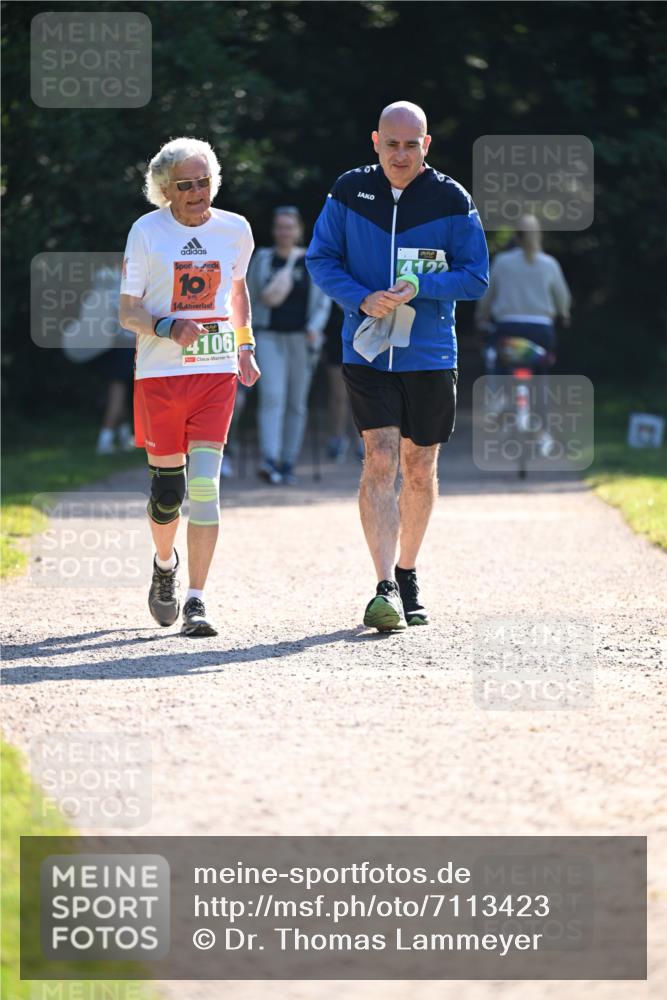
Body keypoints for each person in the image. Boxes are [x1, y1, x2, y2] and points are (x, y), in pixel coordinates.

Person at [306, 101, 488, 631]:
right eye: (392, 144)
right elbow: (322, 259)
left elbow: (476, 278)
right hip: (365, 347)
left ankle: (408, 570)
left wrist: (420, 286)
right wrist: (361, 298)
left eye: (412, 144)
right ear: (375, 142)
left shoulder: (452, 199)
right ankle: (383, 583)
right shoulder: (348, 191)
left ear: (426, 145)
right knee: (380, 457)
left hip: (430, 352)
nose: (401, 154)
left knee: (418, 467)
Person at [119, 137, 260, 637]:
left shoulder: (235, 230)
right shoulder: (146, 232)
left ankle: (197, 600)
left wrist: (244, 345)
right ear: (165, 189)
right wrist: (167, 327)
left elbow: (237, 291)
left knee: (204, 486)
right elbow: (127, 310)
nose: (198, 192)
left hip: (214, 371)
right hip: (159, 374)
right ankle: (164, 567)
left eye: (204, 182)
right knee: (168, 493)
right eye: (186, 184)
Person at [246, 207, 331, 485]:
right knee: (273, 396)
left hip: (302, 340)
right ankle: (269, 458)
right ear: (274, 230)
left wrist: (314, 329)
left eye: (289, 227)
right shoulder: (262, 259)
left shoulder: (311, 261)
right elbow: (248, 296)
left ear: (298, 230)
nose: (285, 232)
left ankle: (288, 461)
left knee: (297, 403)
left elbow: (323, 302)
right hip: (268, 336)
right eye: (280, 227)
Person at [474, 215, 572, 450]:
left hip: (509, 327)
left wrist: (482, 315)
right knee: (541, 380)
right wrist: (564, 314)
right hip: (541, 331)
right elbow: (563, 298)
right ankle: (544, 431)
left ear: (516, 236)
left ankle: (498, 401)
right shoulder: (550, 264)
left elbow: (487, 296)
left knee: (498, 362)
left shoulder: (502, 262)